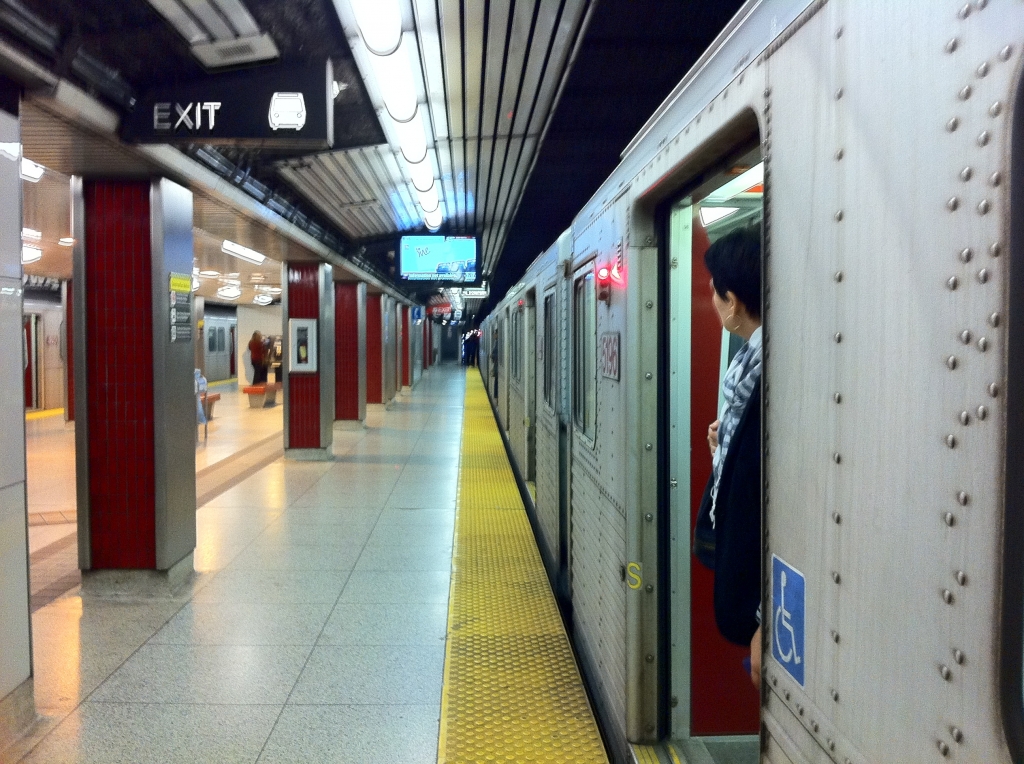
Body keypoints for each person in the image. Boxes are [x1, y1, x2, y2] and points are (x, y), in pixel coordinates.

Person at [693, 227, 763, 691]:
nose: (713, 301)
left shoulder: (765, 368)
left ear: (732, 300)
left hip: (755, 567)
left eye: (715, 290)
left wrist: (761, 615)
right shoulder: (748, 364)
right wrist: (727, 447)